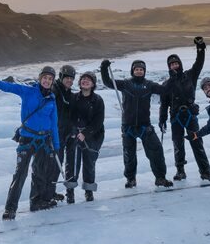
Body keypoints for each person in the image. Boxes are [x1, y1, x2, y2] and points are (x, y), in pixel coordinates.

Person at [0, 65, 62, 220]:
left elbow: (53, 123)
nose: (47, 81)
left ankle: (35, 203)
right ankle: (10, 209)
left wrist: (56, 146)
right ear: (40, 78)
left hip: (44, 140)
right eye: (45, 77)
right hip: (27, 139)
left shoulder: (52, 99)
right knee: (20, 174)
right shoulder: (27, 91)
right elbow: (6, 86)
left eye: (50, 79)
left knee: (39, 174)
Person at [100, 59, 174, 189]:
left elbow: (165, 90)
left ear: (144, 71)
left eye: (141, 69)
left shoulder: (149, 85)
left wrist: (173, 76)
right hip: (128, 126)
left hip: (145, 126)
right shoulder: (125, 84)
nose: (139, 71)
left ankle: (160, 178)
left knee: (156, 151)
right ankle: (131, 179)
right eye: (137, 69)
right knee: (129, 155)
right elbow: (108, 82)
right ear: (133, 71)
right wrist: (104, 68)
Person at [158, 36, 210, 183]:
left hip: (190, 115)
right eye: (171, 64)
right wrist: (162, 119)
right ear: (169, 67)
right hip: (176, 117)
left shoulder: (190, 75)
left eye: (176, 63)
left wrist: (200, 48)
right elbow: (164, 104)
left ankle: (205, 172)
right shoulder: (166, 84)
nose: (174, 66)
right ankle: (180, 171)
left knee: (197, 144)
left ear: (180, 64)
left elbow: (199, 63)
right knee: (178, 145)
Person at [64, 71, 105, 203]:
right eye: (83, 79)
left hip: (93, 136)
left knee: (89, 163)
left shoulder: (98, 100)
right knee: (72, 163)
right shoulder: (73, 98)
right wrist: (75, 131)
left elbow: (98, 121)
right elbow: (69, 117)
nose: (85, 81)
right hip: (75, 134)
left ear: (93, 84)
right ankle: (70, 191)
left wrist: (86, 133)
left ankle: (89, 191)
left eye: (88, 80)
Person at [53, 64, 79, 200]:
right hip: (57, 134)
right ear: (61, 77)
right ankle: (49, 192)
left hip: (70, 133)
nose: (69, 80)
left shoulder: (69, 94)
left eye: (72, 78)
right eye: (67, 78)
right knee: (56, 164)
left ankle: (70, 192)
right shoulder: (55, 90)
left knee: (70, 164)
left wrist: (74, 129)